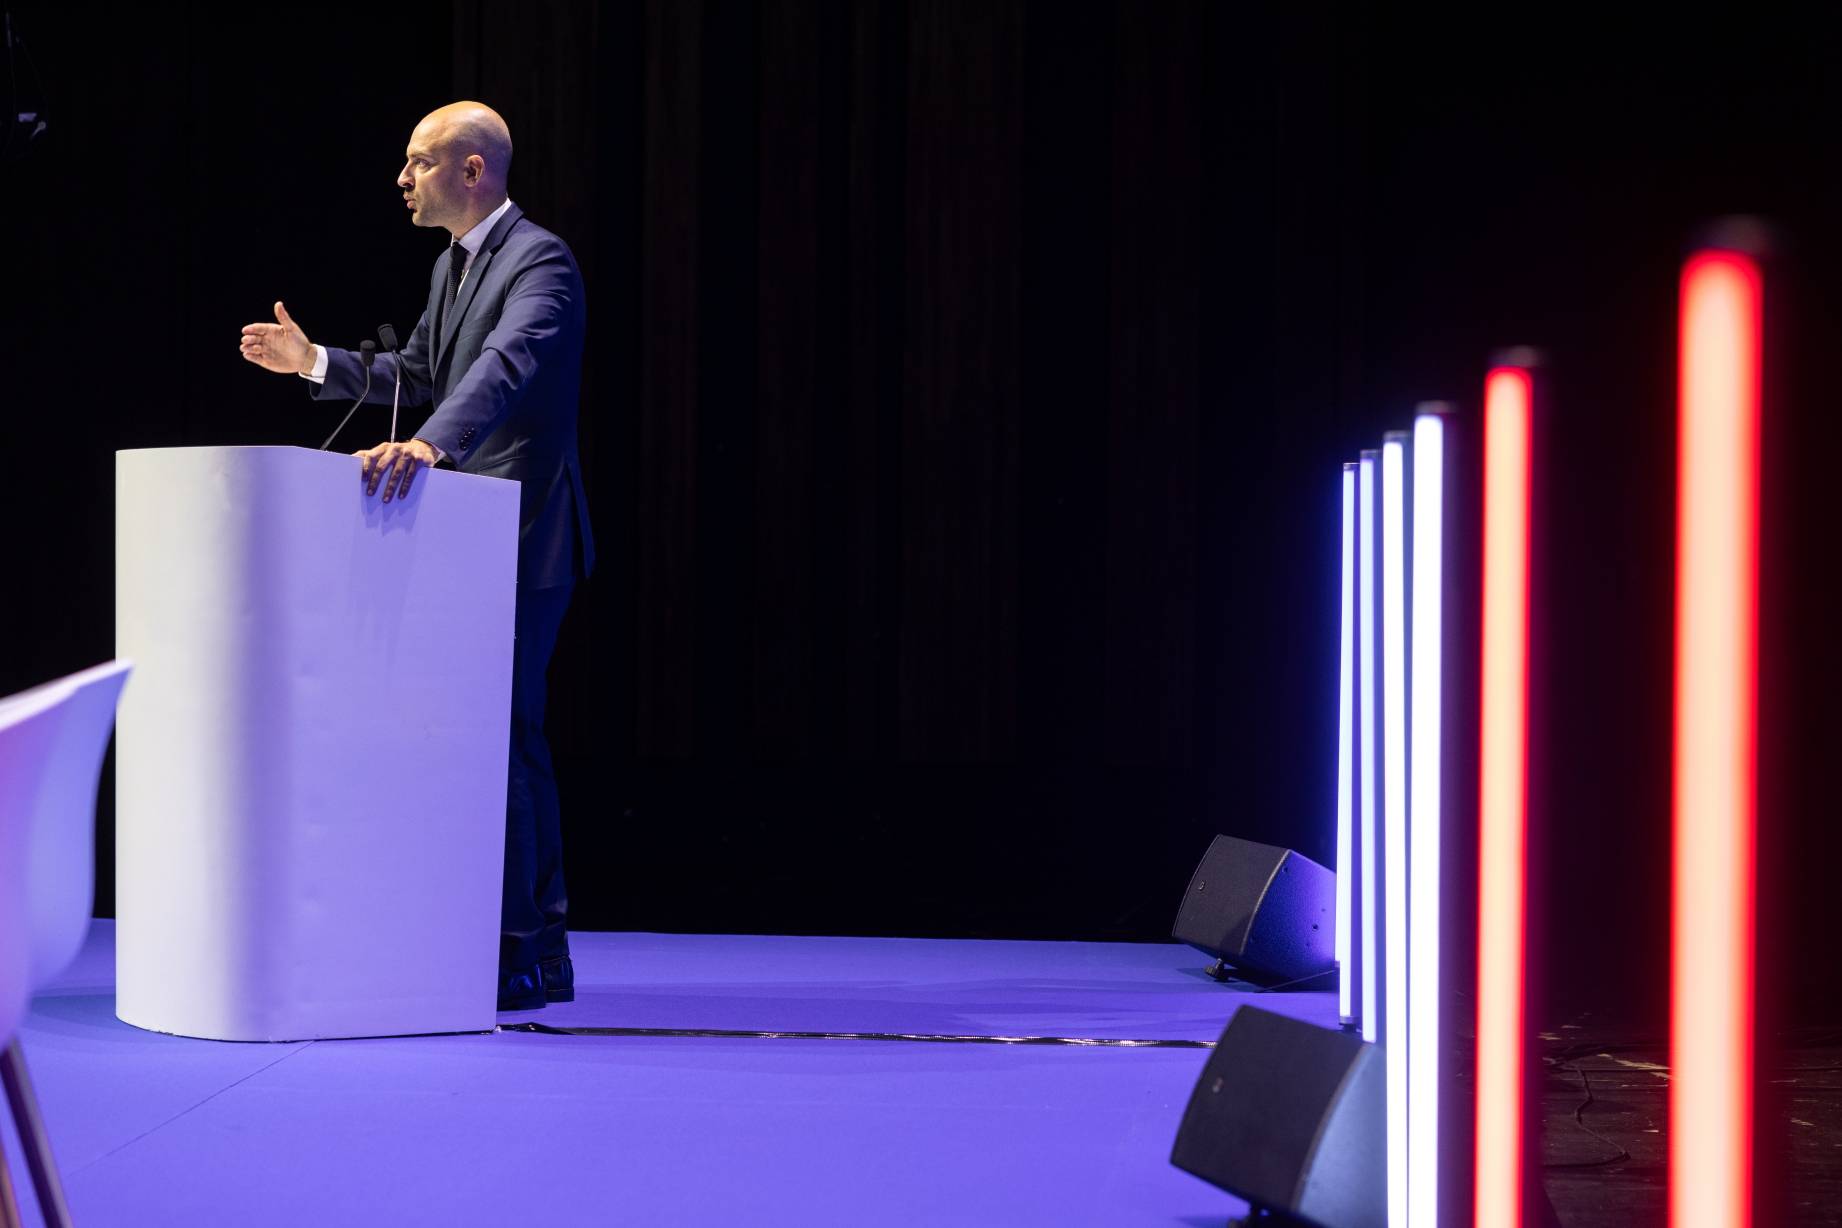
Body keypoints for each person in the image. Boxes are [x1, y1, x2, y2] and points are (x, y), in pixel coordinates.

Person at [238, 101, 594, 1012]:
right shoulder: (451, 266)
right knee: (487, 736)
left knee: (509, 733)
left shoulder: (541, 262)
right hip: (466, 543)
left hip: (526, 535)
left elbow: (502, 370)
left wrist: (430, 445)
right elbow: (428, 375)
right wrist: (315, 362)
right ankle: (510, 943)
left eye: (419, 162)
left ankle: (529, 950)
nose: (402, 179)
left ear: (472, 170)